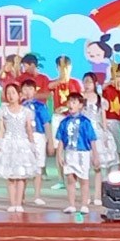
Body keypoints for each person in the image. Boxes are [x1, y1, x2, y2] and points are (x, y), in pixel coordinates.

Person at [0, 83, 39, 212]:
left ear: (19, 95)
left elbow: (29, 129)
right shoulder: (2, 111)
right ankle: (12, 204)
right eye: (8, 93)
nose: (10, 96)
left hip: (22, 145)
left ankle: (19, 204)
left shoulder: (26, 112)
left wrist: (32, 145)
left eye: (13, 93)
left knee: (21, 176)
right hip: (8, 144)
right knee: (11, 176)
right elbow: (1, 130)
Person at [56, 93, 99, 214]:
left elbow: (92, 139)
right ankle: (71, 205)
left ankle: (84, 205)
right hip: (69, 153)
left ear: (80, 105)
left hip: (82, 153)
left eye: (74, 102)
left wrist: (95, 155)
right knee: (70, 179)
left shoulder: (86, 122)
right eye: (69, 102)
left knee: (83, 180)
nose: (71, 104)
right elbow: (61, 139)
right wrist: (59, 154)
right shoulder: (64, 122)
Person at [82, 72, 119, 205]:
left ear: (95, 84)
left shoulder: (100, 100)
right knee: (84, 168)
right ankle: (86, 196)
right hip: (83, 133)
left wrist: (105, 134)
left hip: (97, 133)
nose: (87, 85)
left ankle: (97, 195)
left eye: (89, 82)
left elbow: (103, 119)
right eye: (85, 82)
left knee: (98, 167)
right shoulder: (80, 98)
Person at [48, 55, 82, 191]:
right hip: (58, 118)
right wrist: (60, 79)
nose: (64, 70)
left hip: (72, 118)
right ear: (57, 68)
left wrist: (68, 108)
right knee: (59, 149)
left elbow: (80, 101)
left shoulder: (75, 83)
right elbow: (49, 87)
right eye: (62, 67)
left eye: (67, 67)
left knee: (74, 149)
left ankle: (75, 178)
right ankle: (61, 180)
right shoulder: (55, 83)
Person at [20, 78, 53, 206]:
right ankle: (21, 196)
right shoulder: (20, 106)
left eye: (30, 89)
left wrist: (50, 141)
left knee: (38, 167)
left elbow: (46, 124)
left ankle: (37, 196)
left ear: (35, 91)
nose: (27, 91)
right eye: (25, 89)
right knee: (23, 167)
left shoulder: (40, 106)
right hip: (24, 137)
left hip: (38, 136)